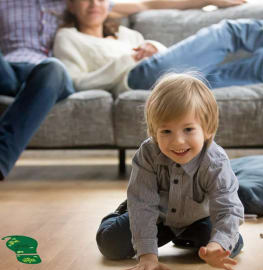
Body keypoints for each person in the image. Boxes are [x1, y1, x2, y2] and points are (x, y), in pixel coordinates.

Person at [0, 0, 245, 181]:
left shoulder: (71, 4)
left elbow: (147, 4)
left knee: (52, 67)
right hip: (9, 70)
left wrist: (208, 1)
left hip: (48, 76)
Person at [96, 73, 244, 270]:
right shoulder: (148, 154)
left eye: (188, 129)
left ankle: (187, 237)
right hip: (156, 216)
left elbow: (228, 208)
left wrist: (216, 245)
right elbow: (143, 206)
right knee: (110, 244)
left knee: (230, 245)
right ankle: (123, 211)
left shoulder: (215, 161)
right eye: (166, 131)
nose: (178, 141)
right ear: (153, 131)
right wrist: (147, 255)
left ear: (208, 129)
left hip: (198, 218)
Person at [53, 0, 263, 94]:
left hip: (172, 82)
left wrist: (154, 48)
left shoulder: (126, 33)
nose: (94, 4)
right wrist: (126, 60)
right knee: (229, 31)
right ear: (71, 4)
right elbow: (75, 83)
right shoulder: (69, 38)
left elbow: (163, 58)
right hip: (137, 79)